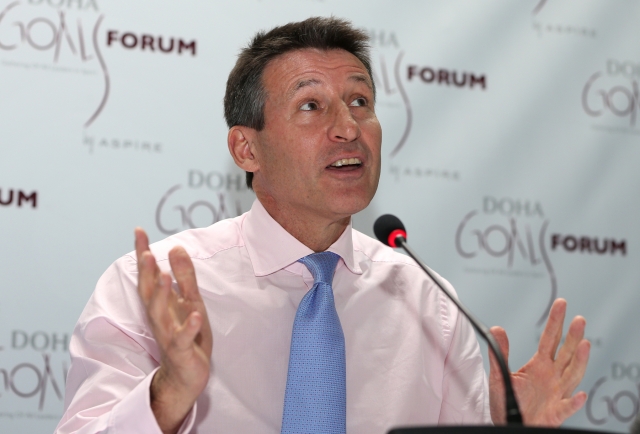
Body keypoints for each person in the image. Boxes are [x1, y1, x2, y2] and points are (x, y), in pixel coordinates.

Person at [55, 17, 591, 434]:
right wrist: (168, 394)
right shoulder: (155, 289)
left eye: (360, 102)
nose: (348, 128)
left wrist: (511, 430)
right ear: (246, 148)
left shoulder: (430, 305)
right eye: (311, 105)